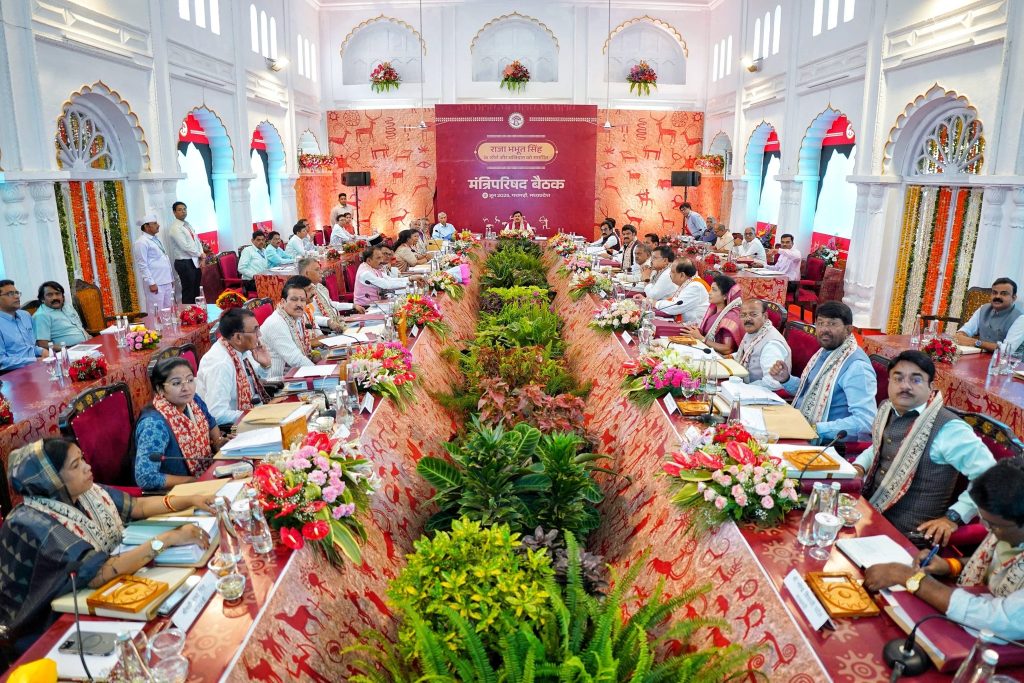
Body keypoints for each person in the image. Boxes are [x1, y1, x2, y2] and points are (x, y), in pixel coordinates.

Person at [0, 439, 216, 652]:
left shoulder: (86, 493)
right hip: (46, 629)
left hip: (94, 593)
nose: (87, 467)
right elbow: (99, 573)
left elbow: (137, 507)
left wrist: (189, 500)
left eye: (82, 458)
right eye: (75, 465)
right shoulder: (32, 522)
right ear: (52, 480)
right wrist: (168, 539)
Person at [864, 460, 1024, 640]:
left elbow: (997, 620)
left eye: (993, 525)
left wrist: (907, 577)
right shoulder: (1007, 528)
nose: (988, 529)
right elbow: (995, 566)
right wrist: (949, 566)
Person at [853, 350, 996, 545]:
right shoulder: (887, 408)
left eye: (916, 380)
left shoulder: (949, 428)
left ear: (931, 386)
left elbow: (990, 476)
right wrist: (859, 466)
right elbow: (878, 446)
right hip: (868, 513)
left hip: (909, 537)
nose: (905, 386)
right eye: (898, 378)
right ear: (889, 382)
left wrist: (954, 517)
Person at [769, 300, 877, 442]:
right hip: (799, 427)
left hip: (825, 443)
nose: (824, 329)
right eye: (820, 323)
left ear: (848, 330)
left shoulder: (857, 367)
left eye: (832, 324)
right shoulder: (825, 353)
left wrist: (817, 429)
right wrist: (786, 379)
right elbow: (811, 392)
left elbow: (866, 421)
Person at [134, 358, 226, 491]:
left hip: (208, 475)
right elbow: (145, 477)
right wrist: (192, 481)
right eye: (176, 383)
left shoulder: (193, 401)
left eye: (190, 380)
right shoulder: (154, 425)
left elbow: (211, 423)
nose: (186, 388)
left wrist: (218, 442)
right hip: (178, 492)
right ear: (160, 389)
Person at [196, 308, 272, 428]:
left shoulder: (240, 349)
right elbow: (217, 414)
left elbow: (255, 383)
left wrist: (265, 366)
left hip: (253, 412)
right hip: (232, 428)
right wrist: (256, 415)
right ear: (238, 337)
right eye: (255, 330)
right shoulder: (220, 363)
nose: (260, 335)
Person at [260, 277, 317, 378]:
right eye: (294, 300)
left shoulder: (297, 317)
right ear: (283, 302)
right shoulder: (276, 323)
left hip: (295, 373)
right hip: (278, 380)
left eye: (302, 300)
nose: (299, 304)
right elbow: (295, 359)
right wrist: (320, 372)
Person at [955, 278, 1024, 353]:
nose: (997, 296)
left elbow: (1007, 350)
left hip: (1007, 360)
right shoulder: (983, 309)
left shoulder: (1020, 319)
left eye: (1004, 294)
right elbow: (966, 329)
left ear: (1013, 298)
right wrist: (961, 335)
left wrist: (976, 342)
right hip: (981, 356)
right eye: (994, 293)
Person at [735, 299, 791, 390]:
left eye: (753, 314)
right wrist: (731, 357)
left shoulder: (771, 345)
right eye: (743, 315)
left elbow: (773, 382)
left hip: (761, 392)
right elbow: (747, 354)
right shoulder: (755, 330)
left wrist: (743, 388)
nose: (747, 319)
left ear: (765, 316)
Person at [681, 275, 745, 355]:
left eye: (714, 290)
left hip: (719, 358)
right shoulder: (713, 310)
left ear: (725, 296)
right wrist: (695, 331)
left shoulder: (730, 317)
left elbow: (727, 349)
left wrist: (701, 338)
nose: (709, 292)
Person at [297, 256, 362, 332]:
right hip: (324, 330)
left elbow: (330, 305)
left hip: (337, 323)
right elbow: (308, 317)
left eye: (320, 269)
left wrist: (353, 306)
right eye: (317, 270)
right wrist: (328, 322)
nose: (321, 272)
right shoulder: (301, 292)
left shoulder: (319, 286)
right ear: (306, 273)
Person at [132, 213, 175, 314]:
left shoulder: (156, 239)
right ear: (147, 227)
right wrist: (151, 283)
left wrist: (171, 278)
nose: (158, 225)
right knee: (156, 313)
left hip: (166, 281)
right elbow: (142, 265)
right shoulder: (141, 242)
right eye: (155, 223)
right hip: (156, 283)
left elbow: (164, 259)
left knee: (169, 311)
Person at [0, 280, 45, 371]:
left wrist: (42, 351)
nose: (16, 296)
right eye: (10, 294)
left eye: (17, 293)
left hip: (35, 366)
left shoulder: (25, 315)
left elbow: (30, 346)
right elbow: (2, 361)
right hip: (12, 372)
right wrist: (34, 361)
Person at [353, 245, 420, 306]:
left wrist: (410, 279)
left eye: (381, 257)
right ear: (369, 260)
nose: (382, 260)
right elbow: (386, 285)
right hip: (365, 308)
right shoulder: (365, 273)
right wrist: (409, 282)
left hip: (377, 304)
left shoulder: (373, 267)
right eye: (378, 258)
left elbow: (389, 279)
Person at [166, 202, 204, 304]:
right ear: (174, 212)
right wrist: (200, 254)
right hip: (184, 262)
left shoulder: (187, 224)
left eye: (184, 209)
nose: (183, 211)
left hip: (193, 261)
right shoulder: (175, 228)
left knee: (196, 290)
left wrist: (202, 255)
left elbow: (196, 240)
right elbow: (185, 246)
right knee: (188, 291)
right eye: (180, 210)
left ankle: (197, 311)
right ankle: (188, 312)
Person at [32, 281, 87, 350]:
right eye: (50, 295)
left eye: (57, 294)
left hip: (86, 344)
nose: (55, 298)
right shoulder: (41, 315)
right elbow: (42, 344)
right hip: (68, 350)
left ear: (62, 296)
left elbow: (79, 327)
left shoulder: (67, 306)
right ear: (42, 299)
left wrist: (89, 338)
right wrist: (65, 350)